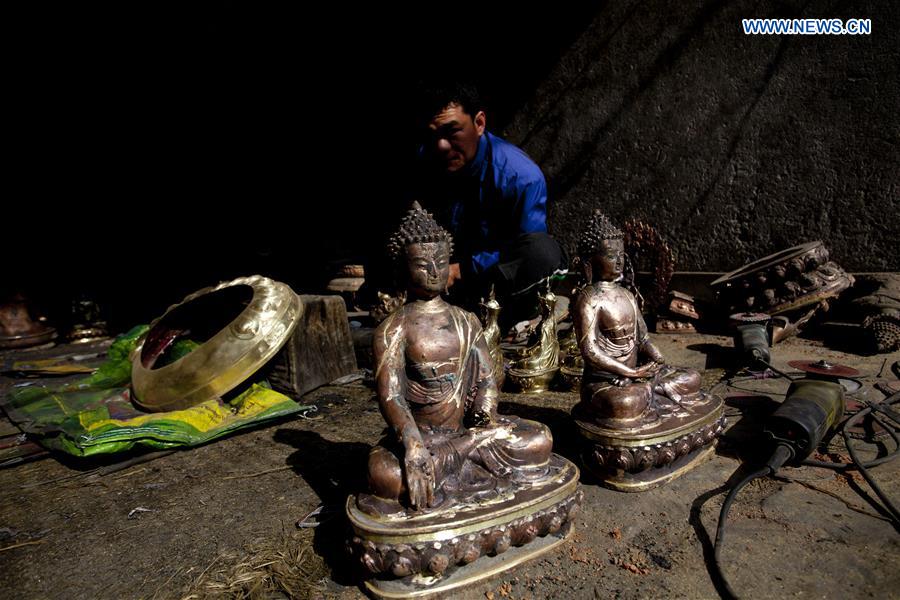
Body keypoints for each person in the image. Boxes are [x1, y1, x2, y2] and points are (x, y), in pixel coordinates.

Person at [360, 203, 553, 513]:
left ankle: (464, 458)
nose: (435, 272)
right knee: (386, 475)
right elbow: (392, 396)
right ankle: (457, 462)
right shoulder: (392, 328)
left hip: (469, 432)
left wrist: (485, 414)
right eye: (423, 265)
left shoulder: (466, 320)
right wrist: (412, 443)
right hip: (425, 438)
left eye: (441, 261)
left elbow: (486, 380)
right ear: (401, 269)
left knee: (540, 439)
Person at [413, 82, 566, 333]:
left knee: (542, 252)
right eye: (434, 135)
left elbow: (524, 250)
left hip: (497, 284)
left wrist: (461, 270)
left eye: (452, 132)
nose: (442, 145)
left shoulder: (521, 177)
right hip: (439, 281)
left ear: (479, 123)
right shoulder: (426, 160)